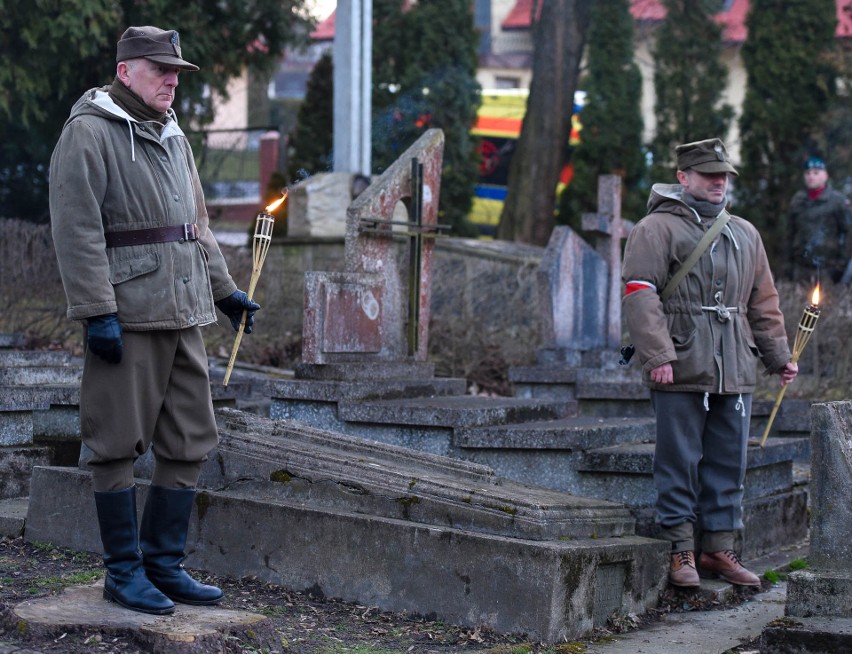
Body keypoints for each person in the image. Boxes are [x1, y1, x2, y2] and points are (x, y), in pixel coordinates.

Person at [49, 26, 260, 615]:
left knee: (191, 438)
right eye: (160, 69)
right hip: (127, 312)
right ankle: (123, 573)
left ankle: (164, 566)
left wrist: (226, 293)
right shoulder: (88, 134)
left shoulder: (172, 135)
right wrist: (96, 313)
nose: (172, 80)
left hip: (184, 310)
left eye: (176, 72)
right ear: (125, 72)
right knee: (115, 442)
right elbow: (76, 229)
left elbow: (196, 225)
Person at [621, 138, 798, 589]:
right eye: (708, 174)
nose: (719, 181)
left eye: (723, 175)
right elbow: (641, 296)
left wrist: (778, 357)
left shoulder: (744, 232)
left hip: (734, 362)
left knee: (727, 461)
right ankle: (681, 549)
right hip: (680, 360)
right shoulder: (655, 228)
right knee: (678, 459)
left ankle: (718, 548)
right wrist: (658, 355)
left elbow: (764, 302)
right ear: (683, 177)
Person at [788, 156, 851, 284]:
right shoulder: (798, 200)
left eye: (816, 173)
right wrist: (788, 265)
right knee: (799, 303)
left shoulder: (837, 201)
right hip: (801, 267)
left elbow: (848, 233)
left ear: (825, 175)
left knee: (827, 303)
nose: (811, 176)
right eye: (808, 173)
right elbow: (790, 234)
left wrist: (840, 266)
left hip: (828, 268)